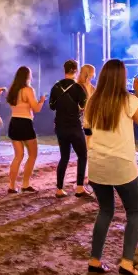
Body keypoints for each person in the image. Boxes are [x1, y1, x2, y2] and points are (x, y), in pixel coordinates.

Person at [84, 59, 138, 275]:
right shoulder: (129, 100)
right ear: (123, 78)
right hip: (122, 165)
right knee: (135, 212)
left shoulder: (92, 101)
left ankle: (94, 260)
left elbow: (88, 131)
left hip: (97, 164)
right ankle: (127, 263)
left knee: (105, 211)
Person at [50, 59, 90, 198]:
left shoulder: (56, 87)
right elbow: (84, 106)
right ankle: (79, 187)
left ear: (64, 70)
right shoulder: (78, 87)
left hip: (60, 126)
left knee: (64, 157)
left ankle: (59, 189)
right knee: (82, 155)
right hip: (74, 126)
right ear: (75, 70)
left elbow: (52, 106)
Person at [6, 66, 45, 194]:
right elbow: (36, 109)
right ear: (27, 76)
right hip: (25, 123)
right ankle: (25, 184)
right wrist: (42, 101)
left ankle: (12, 186)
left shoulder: (12, 90)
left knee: (18, 156)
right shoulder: (28, 90)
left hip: (14, 122)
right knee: (33, 154)